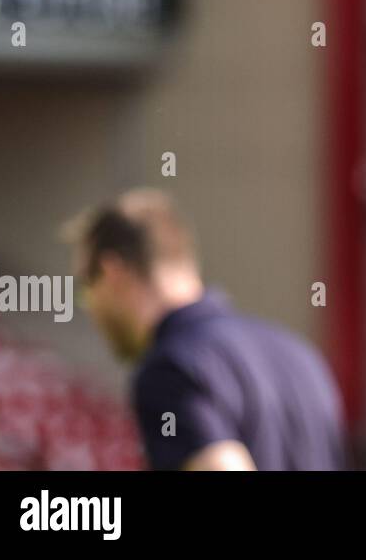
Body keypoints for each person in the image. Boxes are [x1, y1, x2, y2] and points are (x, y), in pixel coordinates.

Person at [61, 188, 348, 470]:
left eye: (85, 290)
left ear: (113, 272)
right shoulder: (300, 355)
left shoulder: (171, 368)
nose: (91, 309)